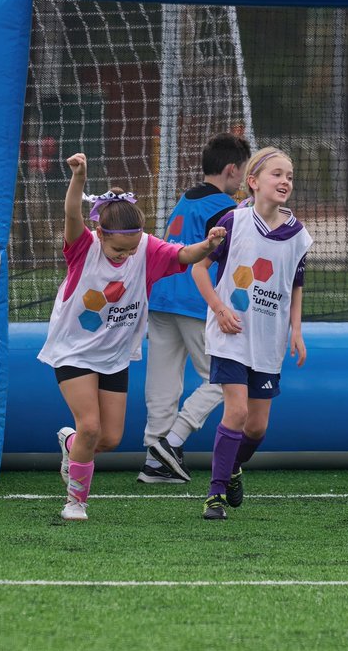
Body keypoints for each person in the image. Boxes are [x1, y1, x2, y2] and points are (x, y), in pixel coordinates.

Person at [38, 152, 226, 521]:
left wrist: (209, 245)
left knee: (106, 439)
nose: (125, 255)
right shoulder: (84, 248)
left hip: (114, 356)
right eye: (117, 249)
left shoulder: (146, 248)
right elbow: (73, 214)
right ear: (100, 235)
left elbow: (184, 254)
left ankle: (72, 444)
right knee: (90, 425)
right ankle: (75, 502)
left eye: (132, 247)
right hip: (73, 351)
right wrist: (79, 177)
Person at [191, 147, 313, 520]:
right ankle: (214, 495)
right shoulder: (233, 221)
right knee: (238, 410)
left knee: (257, 428)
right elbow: (199, 269)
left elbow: (295, 284)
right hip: (232, 333)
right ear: (253, 182)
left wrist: (296, 329)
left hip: (269, 340)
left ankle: (232, 468)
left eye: (289, 176)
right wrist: (220, 309)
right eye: (277, 174)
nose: (285, 182)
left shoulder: (299, 236)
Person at [139, 132, 251, 484]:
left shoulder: (185, 199)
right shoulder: (226, 210)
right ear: (232, 170)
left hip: (160, 298)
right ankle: (173, 441)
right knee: (221, 379)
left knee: (162, 381)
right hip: (194, 302)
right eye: (244, 173)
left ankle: (154, 460)